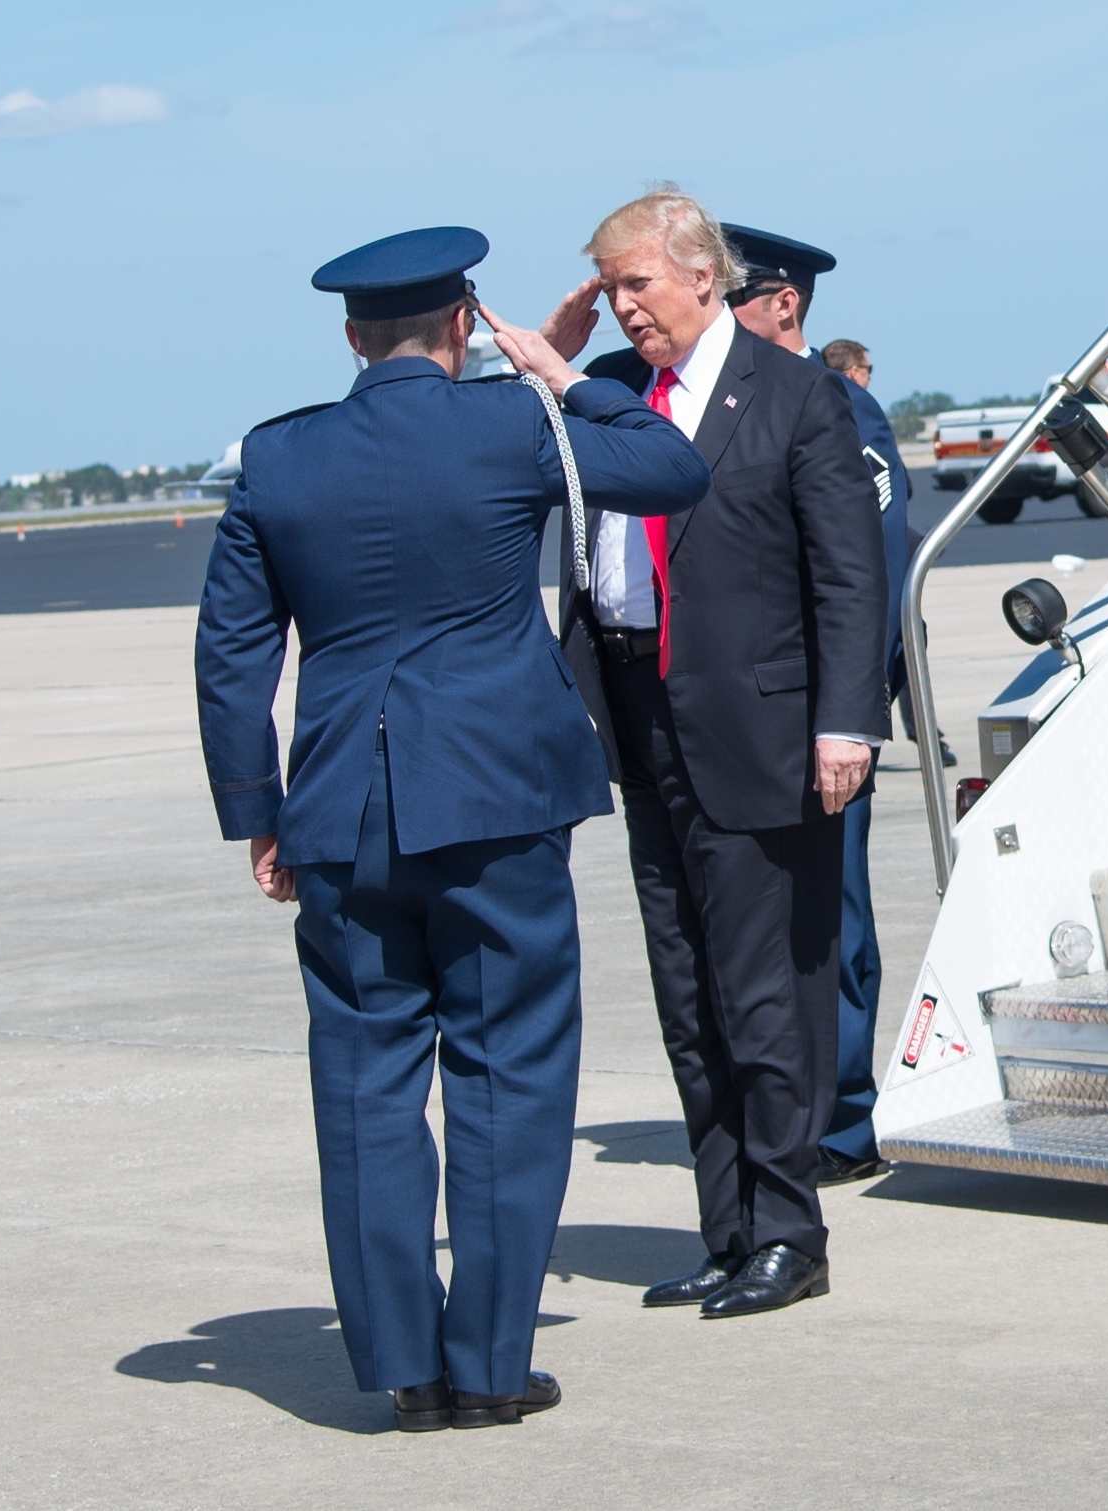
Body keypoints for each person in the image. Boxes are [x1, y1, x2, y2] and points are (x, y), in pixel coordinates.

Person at [196, 227, 708, 1430]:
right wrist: (558, 371)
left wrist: (254, 813)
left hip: (338, 810)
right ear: (464, 327)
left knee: (368, 1084)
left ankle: (400, 1368)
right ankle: (487, 1360)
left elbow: (231, 653)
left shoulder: (276, 457)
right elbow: (669, 467)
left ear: (351, 339)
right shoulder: (511, 422)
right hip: (495, 799)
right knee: (508, 1074)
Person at [548, 187, 888, 1317]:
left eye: (633, 281)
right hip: (641, 721)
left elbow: (847, 571)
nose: (619, 305)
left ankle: (790, 1230)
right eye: (606, 286)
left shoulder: (792, 394)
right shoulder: (612, 396)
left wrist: (846, 720)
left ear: (703, 275)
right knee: (686, 995)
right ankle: (727, 1226)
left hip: (759, 730)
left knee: (763, 994)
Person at [724, 225, 910, 1186]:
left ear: (782, 303)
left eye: (731, 296)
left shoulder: (840, 407)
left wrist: (852, 713)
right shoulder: (727, 402)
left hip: (821, 720)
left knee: (828, 923)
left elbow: (870, 570)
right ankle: (781, 1110)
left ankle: (840, 1119)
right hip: (744, 717)